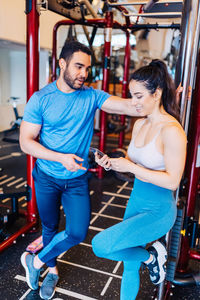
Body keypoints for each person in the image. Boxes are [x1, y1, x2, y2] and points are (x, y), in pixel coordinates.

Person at [19, 40, 147, 300]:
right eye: (79, 67)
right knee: (50, 228)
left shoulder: (92, 95)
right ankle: (51, 270)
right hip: (46, 177)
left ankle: (35, 262)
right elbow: (25, 142)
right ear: (62, 64)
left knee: (77, 232)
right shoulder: (41, 99)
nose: (84, 74)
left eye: (87, 69)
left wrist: (161, 97)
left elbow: (126, 105)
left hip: (76, 179)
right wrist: (60, 157)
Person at [92, 59, 187, 300]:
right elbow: (135, 162)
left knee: (101, 245)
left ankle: (151, 257)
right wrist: (115, 162)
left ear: (156, 94)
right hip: (136, 201)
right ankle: (149, 260)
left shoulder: (172, 131)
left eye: (138, 96)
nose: (133, 103)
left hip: (159, 210)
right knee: (128, 265)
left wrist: (132, 166)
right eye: (131, 96)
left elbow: (173, 181)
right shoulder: (140, 124)